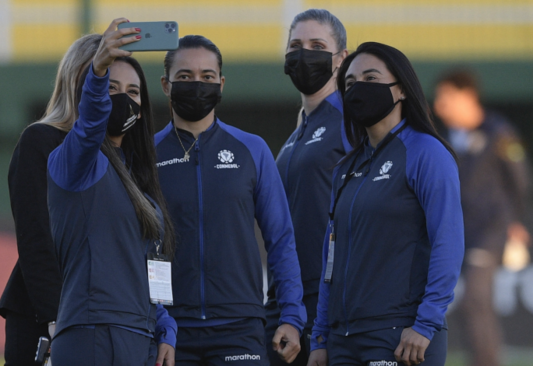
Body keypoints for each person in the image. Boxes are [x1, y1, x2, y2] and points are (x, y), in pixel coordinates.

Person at [308, 42, 464, 366]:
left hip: (402, 338)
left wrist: (425, 324)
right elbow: (331, 260)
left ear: (402, 89)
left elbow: (448, 243)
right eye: (350, 84)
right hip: (342, 343)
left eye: (371, 78)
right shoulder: (344, 170)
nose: (359, 89)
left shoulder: (428, 154)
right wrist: (320, 336)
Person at [154, 34, 307, 365]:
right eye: (185, 77)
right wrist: (157, 319)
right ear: (166, 85)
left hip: (241, 327)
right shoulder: (145, 155)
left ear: (221, 84)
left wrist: (292, 316)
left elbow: (280, 238)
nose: (197, 85)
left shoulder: (252, 149)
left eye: (207, 77)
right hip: (168, 331)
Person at [46, 19, 177, 366]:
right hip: (91, 335)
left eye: (133, 92)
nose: (123, 99)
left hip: (139, 337)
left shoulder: (137, 179)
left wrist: (165, 328)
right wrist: (98, 68)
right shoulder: (75, 161)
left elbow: (147, 266)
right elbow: (89, 126)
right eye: (111, 87)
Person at [0, 33, 102, 366]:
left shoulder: (124, 153)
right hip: (47, 318)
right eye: (98, 76)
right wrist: (58, 319)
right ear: (74, 79)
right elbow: (36, 236)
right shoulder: (40, 140)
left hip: (108, 317)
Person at [265, 9, 349, 366]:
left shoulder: (351, 119)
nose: (305, 54)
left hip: (330, 300)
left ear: (341, 58)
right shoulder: (296, 133)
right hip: (289, 299)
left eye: (318, 45)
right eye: (296, 45)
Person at [433, 69, 529, 366]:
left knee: (475, 298)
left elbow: (521, 180)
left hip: (492, 231)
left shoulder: (498, 131)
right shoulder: (447, 136)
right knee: (471, 305)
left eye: (446, 98)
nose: (440, 106)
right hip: (462, 233)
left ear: (467, 96)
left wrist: (519, 224)